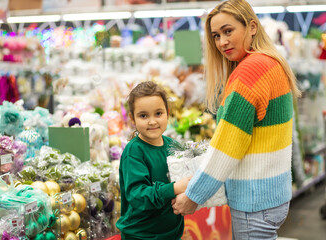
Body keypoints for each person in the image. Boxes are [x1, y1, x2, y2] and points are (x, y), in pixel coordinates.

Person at [172, 0, 301, 239]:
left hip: (254, 201)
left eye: (228, 31)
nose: (222, 42)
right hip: (273, 196)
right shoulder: (271, 63)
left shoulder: (250, 72)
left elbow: (227, 148)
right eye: (216, 36)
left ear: (252, 27)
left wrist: (193, 196)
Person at [116, 81, 191, 240]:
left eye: (158, 113)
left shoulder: (173, 146)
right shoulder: (134, 151)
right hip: (141, 235)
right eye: (143, 115)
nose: (152, 121)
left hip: (171, 234)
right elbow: (137, 196)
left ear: (167, 113)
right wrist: (175, 188)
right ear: (132, 118)